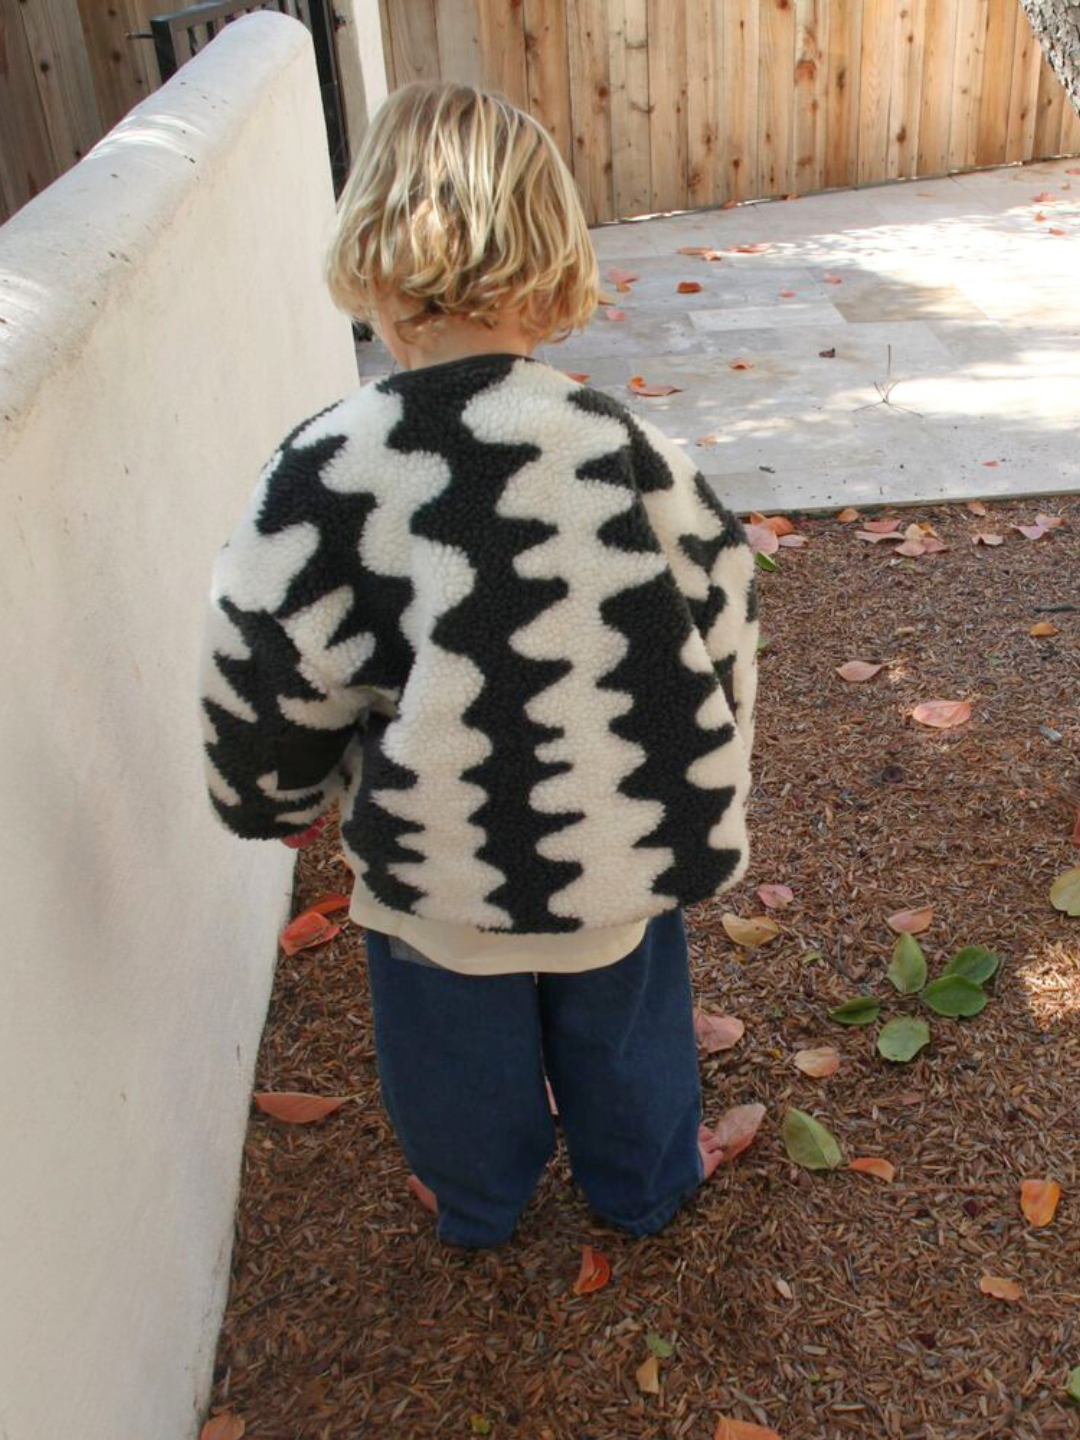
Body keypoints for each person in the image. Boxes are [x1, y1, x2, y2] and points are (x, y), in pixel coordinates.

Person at [198, 81, 759, 1250]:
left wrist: (276, 797)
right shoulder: (634, 455)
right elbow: (722, 632)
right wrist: (695, 809)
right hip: (613, 860)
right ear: (555, 254)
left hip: (436, 867)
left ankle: (478, 1200)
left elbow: (270, 658)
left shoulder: (329, 470)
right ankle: (646, 1185)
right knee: (630, 1034)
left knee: (451, 1059)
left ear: (370, 254)